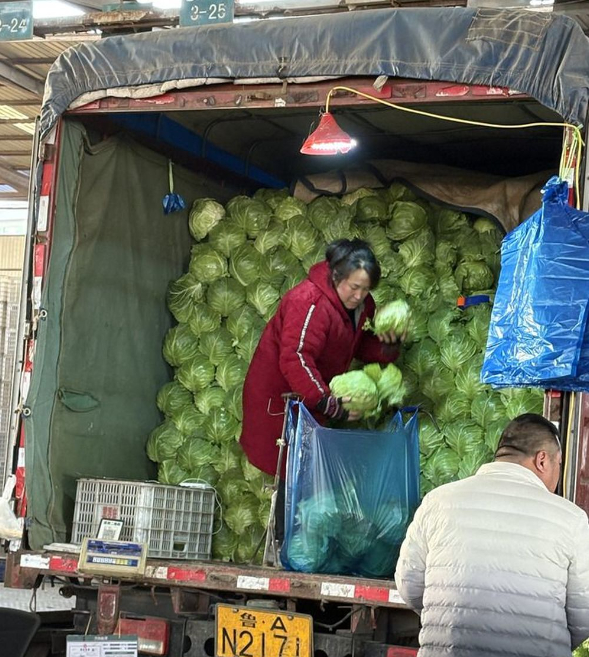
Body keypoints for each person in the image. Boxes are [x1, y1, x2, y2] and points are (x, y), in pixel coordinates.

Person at [395, 413, 589, 657]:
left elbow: (409, 586)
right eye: (559, 464)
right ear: (542, 461)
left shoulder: (437, 501)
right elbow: (584, 615)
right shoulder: (571, 518)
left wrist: (452, 615)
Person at [240, 238, 403, 481]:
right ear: (337, 276)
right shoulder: (309, 303)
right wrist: (326, 402)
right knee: (285, 467)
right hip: (279, 396)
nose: (360, 295)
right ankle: (282, 512)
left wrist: (388, 346)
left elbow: (355, 343)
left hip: (311, 393)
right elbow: (296, 358)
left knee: (306, 467)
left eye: (366, 289)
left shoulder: (361, 305)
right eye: (354, 286)